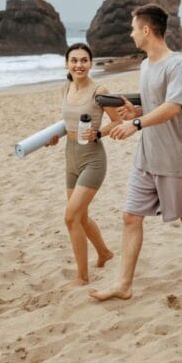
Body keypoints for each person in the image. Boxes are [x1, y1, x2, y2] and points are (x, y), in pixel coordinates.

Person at [90, 4, 182, 302]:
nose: (131, 34)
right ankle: (124, 284)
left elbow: (173, 108)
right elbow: (157, 105)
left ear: (146, 30)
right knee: (131, 217)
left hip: (174, 158)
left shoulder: (177, 66)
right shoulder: (146, 65)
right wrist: (138, 110)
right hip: (147, 158)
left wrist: (135, 123)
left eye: (133, 28)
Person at [46, 43, 121, 285]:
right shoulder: (65, 87)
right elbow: (68, 119)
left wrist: (98, 134)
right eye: (74, 60)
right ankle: (104, 253)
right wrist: (57, 135)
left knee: (71, 218)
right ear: (67, 63)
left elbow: (116, 121)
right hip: (71, 157)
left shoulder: (100, 90)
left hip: (93, 159)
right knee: (82, 216)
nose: (79, 65)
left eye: (84, 60)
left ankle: (82, 276)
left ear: (90, 63)